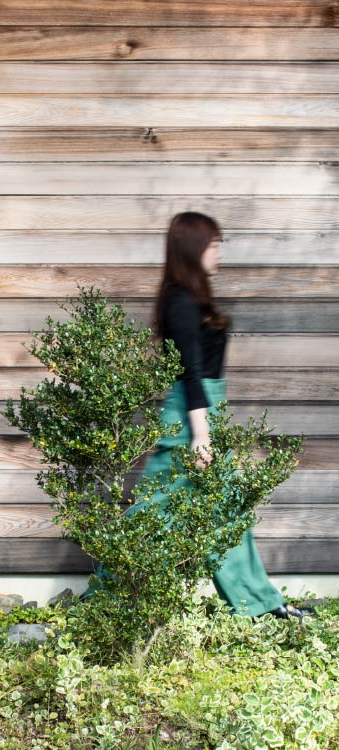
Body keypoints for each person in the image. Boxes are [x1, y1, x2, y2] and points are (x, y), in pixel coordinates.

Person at [82, 212, 308, 619]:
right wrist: (201, 436)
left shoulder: (190, 298)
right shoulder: (181, 302)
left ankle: (260, 604)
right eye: (213, 244)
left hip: (200, 414)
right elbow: (190, 373)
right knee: (161, 512)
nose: (219, 252)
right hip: (190, 420)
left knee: (220, 511)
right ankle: (103, 599)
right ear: (193, 248)